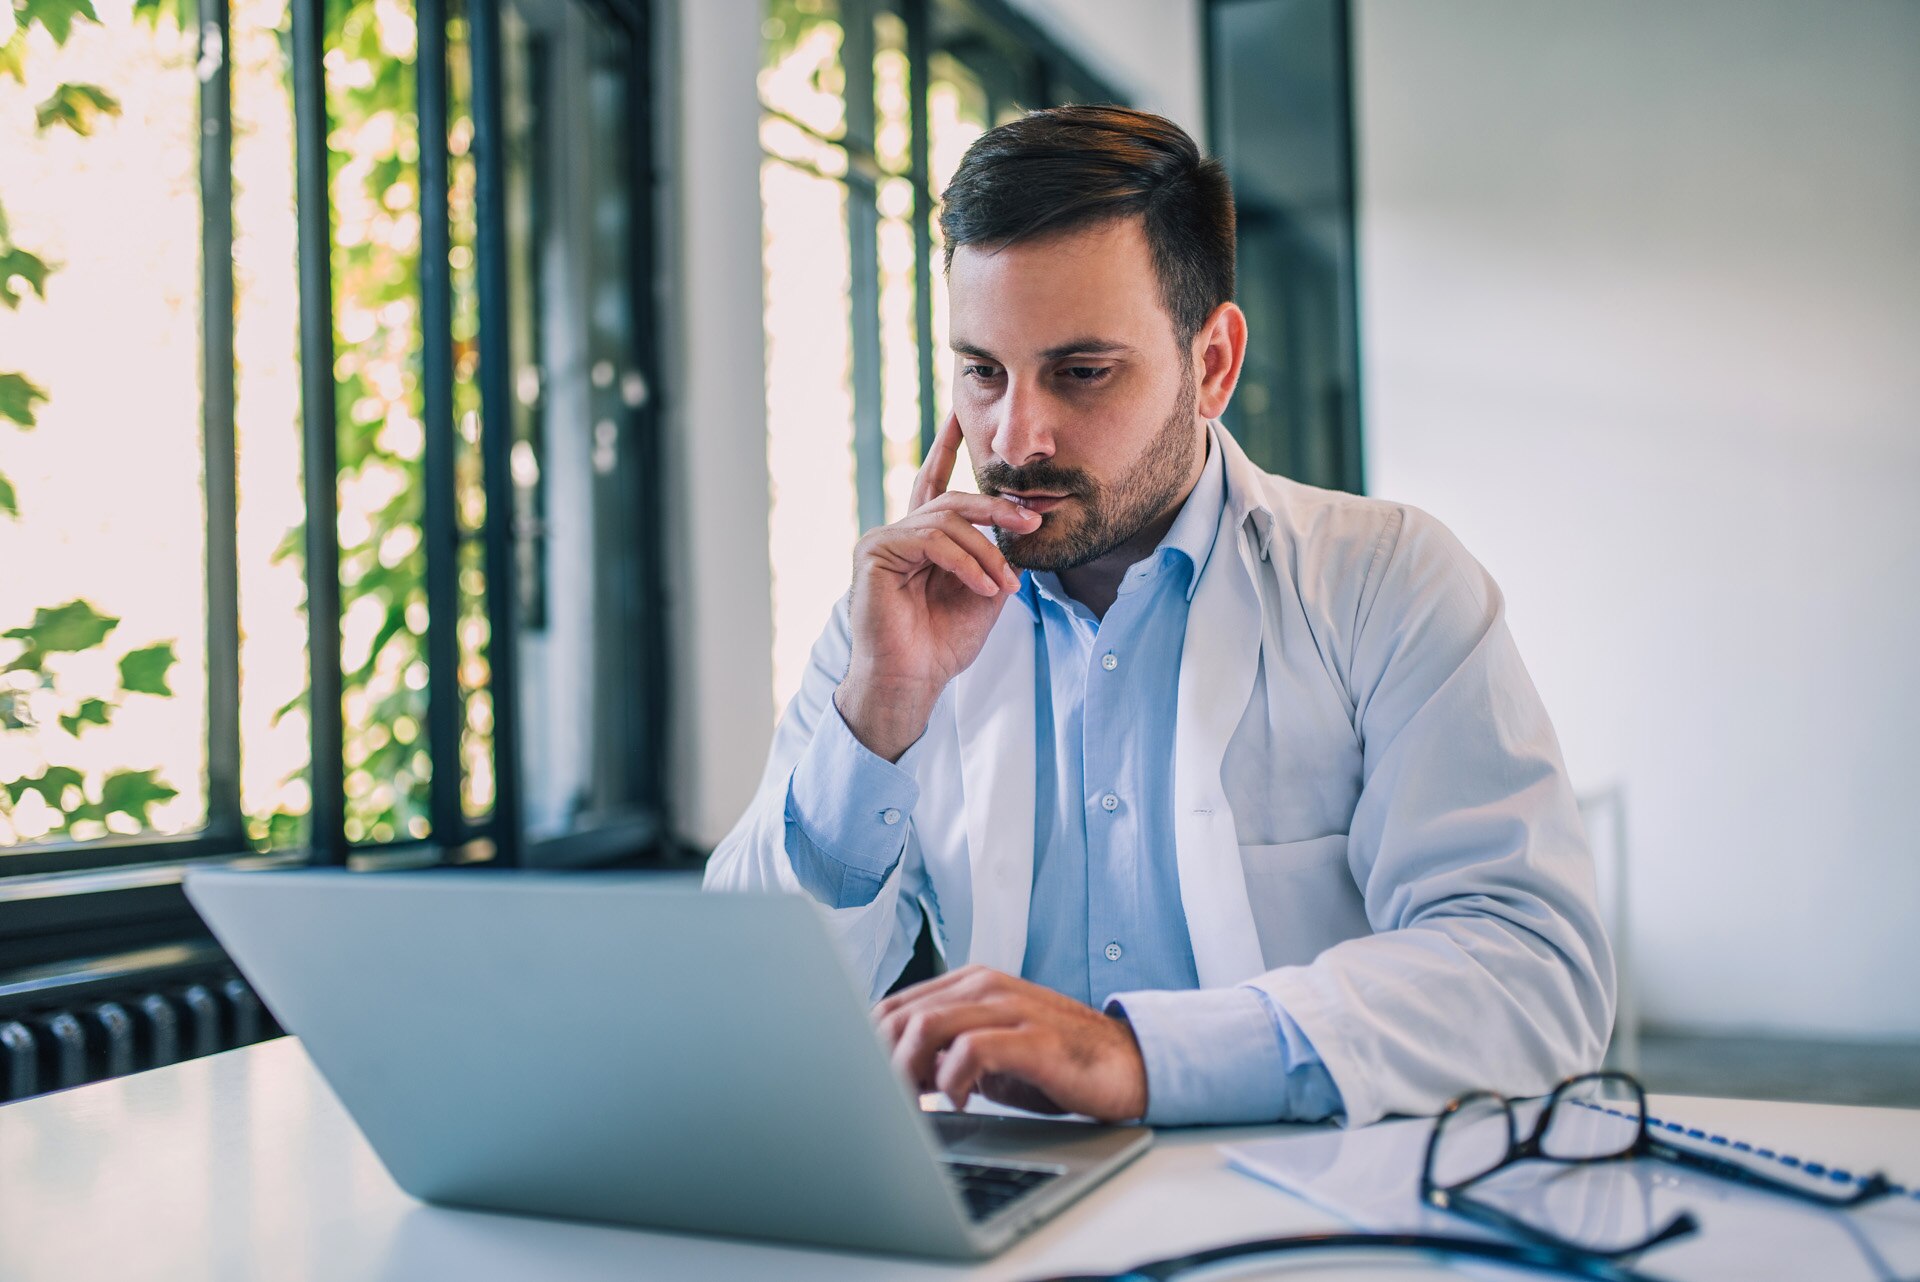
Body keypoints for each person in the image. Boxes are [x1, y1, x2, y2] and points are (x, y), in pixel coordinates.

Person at [705, 105, 1614, 1129]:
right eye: (982, 371)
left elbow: (1533, 975)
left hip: (1304, 1214)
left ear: (1212, 365)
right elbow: (740, 1014)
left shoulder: (1386, 582)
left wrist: (1142, 1057)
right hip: (1013, 1218)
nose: (1017, 434)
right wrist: (878, 720)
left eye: (1081, 372)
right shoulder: (894, 619)